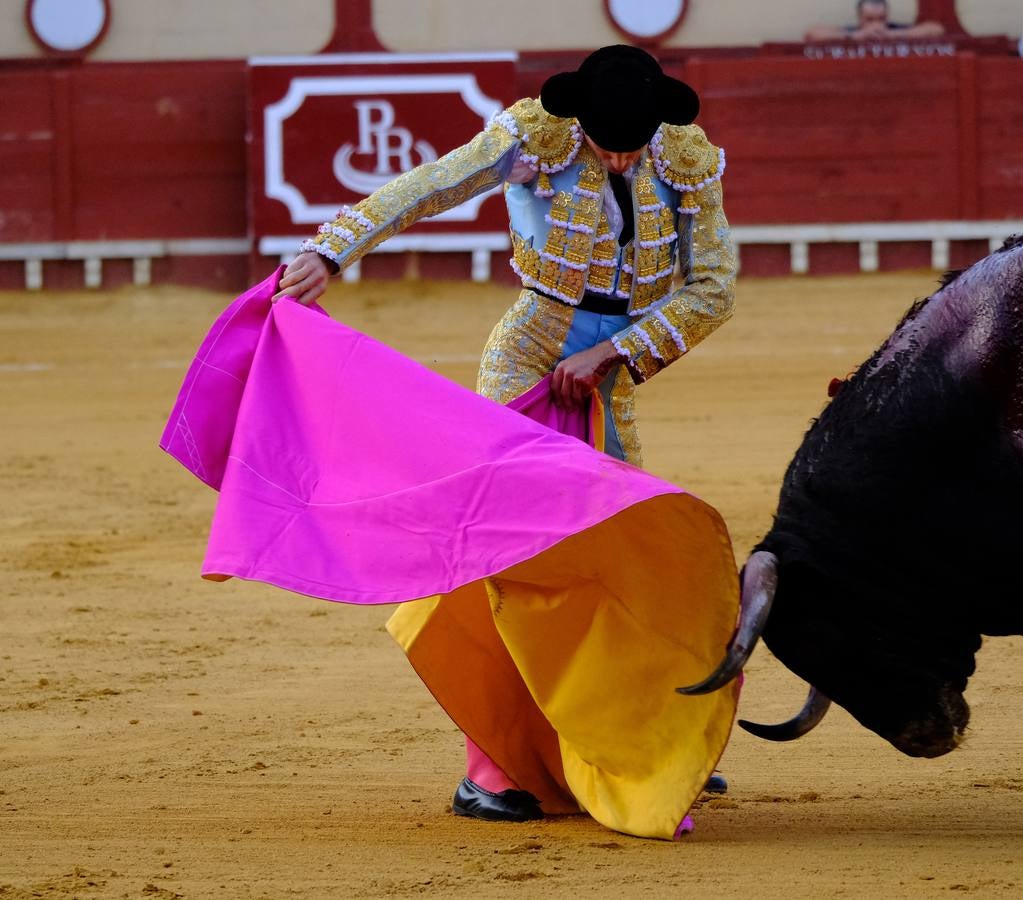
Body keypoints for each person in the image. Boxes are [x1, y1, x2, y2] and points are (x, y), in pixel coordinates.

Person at [274, 45, 737, 834]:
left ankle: (633, 736)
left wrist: (613, 353)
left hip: (608, 376)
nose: (622, 154)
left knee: (615, 554)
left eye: (633, 140)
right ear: (579, 120)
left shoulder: (685, 159)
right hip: (528, 359)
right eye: (607, 140)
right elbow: (428, 186)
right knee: (505, 557)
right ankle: (489, 770)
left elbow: (714, 286)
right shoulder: (536, 139)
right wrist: (329, 249)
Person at [804, 0, 946, 42]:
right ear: (860, 18)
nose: (876, 24)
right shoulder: (852, 32)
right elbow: (812, 33)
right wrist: (855, 36)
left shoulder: (894, 29)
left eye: (881, 19)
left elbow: (936, 29)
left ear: (887, 17)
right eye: (869, 19)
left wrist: (894, 35)